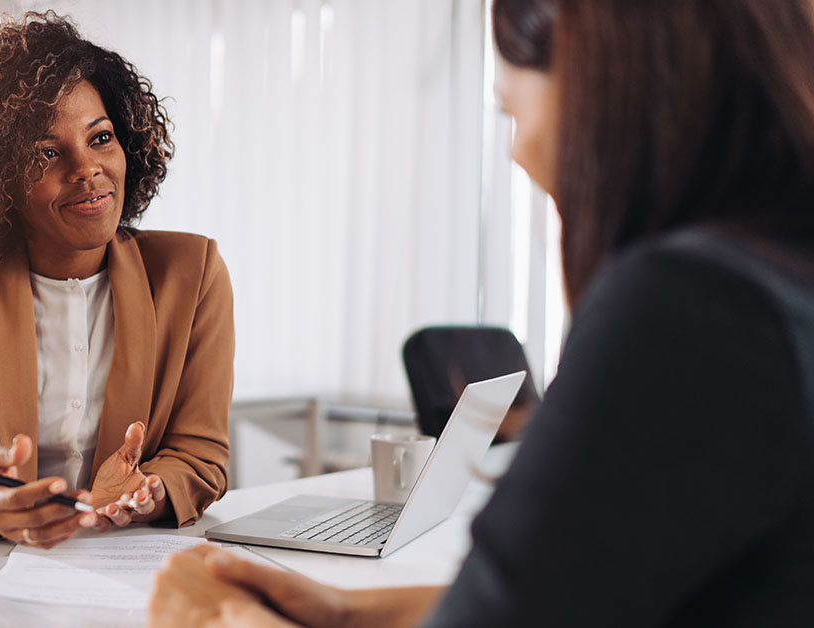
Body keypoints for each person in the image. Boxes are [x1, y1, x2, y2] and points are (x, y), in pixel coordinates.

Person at [149, 0, 814, 625]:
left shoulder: (689, 307)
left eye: (512, 110)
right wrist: (345, 612)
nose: (517, 151)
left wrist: (221, 616)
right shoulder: (776, 276)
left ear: (605, 86)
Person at [0, 12, 234, 548]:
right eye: (47, 153)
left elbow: (200, 454)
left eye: (100, 138)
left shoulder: (192, 274)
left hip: (133, 565)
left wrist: (147, 493)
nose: (86, 168)